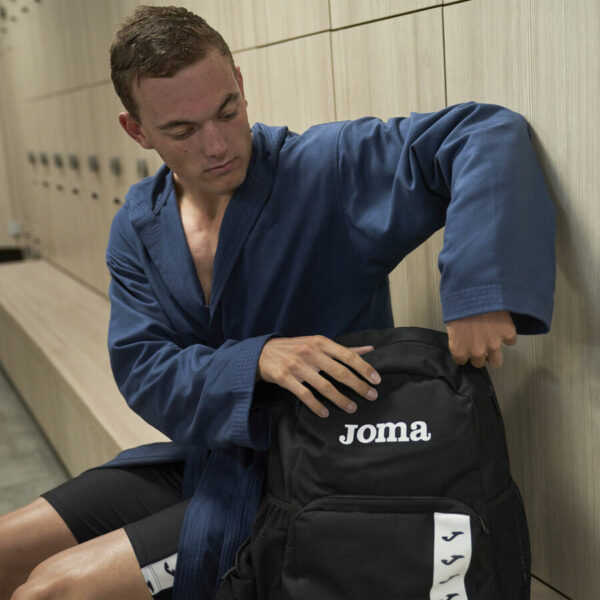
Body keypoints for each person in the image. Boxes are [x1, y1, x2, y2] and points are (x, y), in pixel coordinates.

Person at [0, 5, 556, 600]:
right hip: (215, 456)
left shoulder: (324, 170)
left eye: (227, 111)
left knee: (52, 590)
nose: (217, 145)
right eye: (182, 131)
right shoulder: (137, 226)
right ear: (137, 131)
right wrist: (258, 359)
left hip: (325, 467)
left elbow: (481, 132)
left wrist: (477, 290)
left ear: (240, 84)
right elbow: (145, 369)